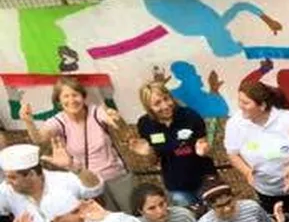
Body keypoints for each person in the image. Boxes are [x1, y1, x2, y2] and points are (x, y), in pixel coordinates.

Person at [19, 77, 136, 212]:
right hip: (90, 182)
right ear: (58, 101)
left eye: (75, 95)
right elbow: (39, 139)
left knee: (133, 214)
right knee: (106, 220)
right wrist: (29, 122)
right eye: (66, 96)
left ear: (83, 96)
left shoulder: (96, 112)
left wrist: (115, 119)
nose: (72, 100)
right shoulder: (59, 121)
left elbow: (113, 122)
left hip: (117, 176)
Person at [223, 81, 289, 211]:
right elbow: (233, 154)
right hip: (266, 190)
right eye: (239, 101)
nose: (240, 106)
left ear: (262, 105)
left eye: (246, 103)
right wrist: (247, 172)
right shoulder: (234, 123)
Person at [131, 80, 212, 207]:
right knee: (187, 216)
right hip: (177, 186)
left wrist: (204, 149)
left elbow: (203, 144)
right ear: (148, 107)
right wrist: (148, 153)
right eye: (157, 103)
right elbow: (153, 161)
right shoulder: (145, 124)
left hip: (204, 179)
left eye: (166, 99)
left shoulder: (190, 115)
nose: (165, 106)